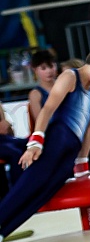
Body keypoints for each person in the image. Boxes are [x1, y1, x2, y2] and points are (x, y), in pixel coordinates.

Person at [0, 45, 90, 242]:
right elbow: (48, 109)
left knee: (42, 195)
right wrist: (36, 142)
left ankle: (3, 232)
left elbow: (89, 128)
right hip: (56, 141)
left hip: (71, 151)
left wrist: (82, 165)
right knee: (27, 187)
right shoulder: (70, 77)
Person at [0, 50, 58, 191]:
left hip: (5, 139)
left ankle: (27, 188)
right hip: (51, 130)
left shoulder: (63, 87)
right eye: (43, 68)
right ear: (35, 70)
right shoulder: (36, 94)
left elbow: (7, 129)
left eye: (51, 66)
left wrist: (7, 126)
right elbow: (40, 120)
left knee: (22, 146)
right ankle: (19, 191)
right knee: (16, 153)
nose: (49, 71)